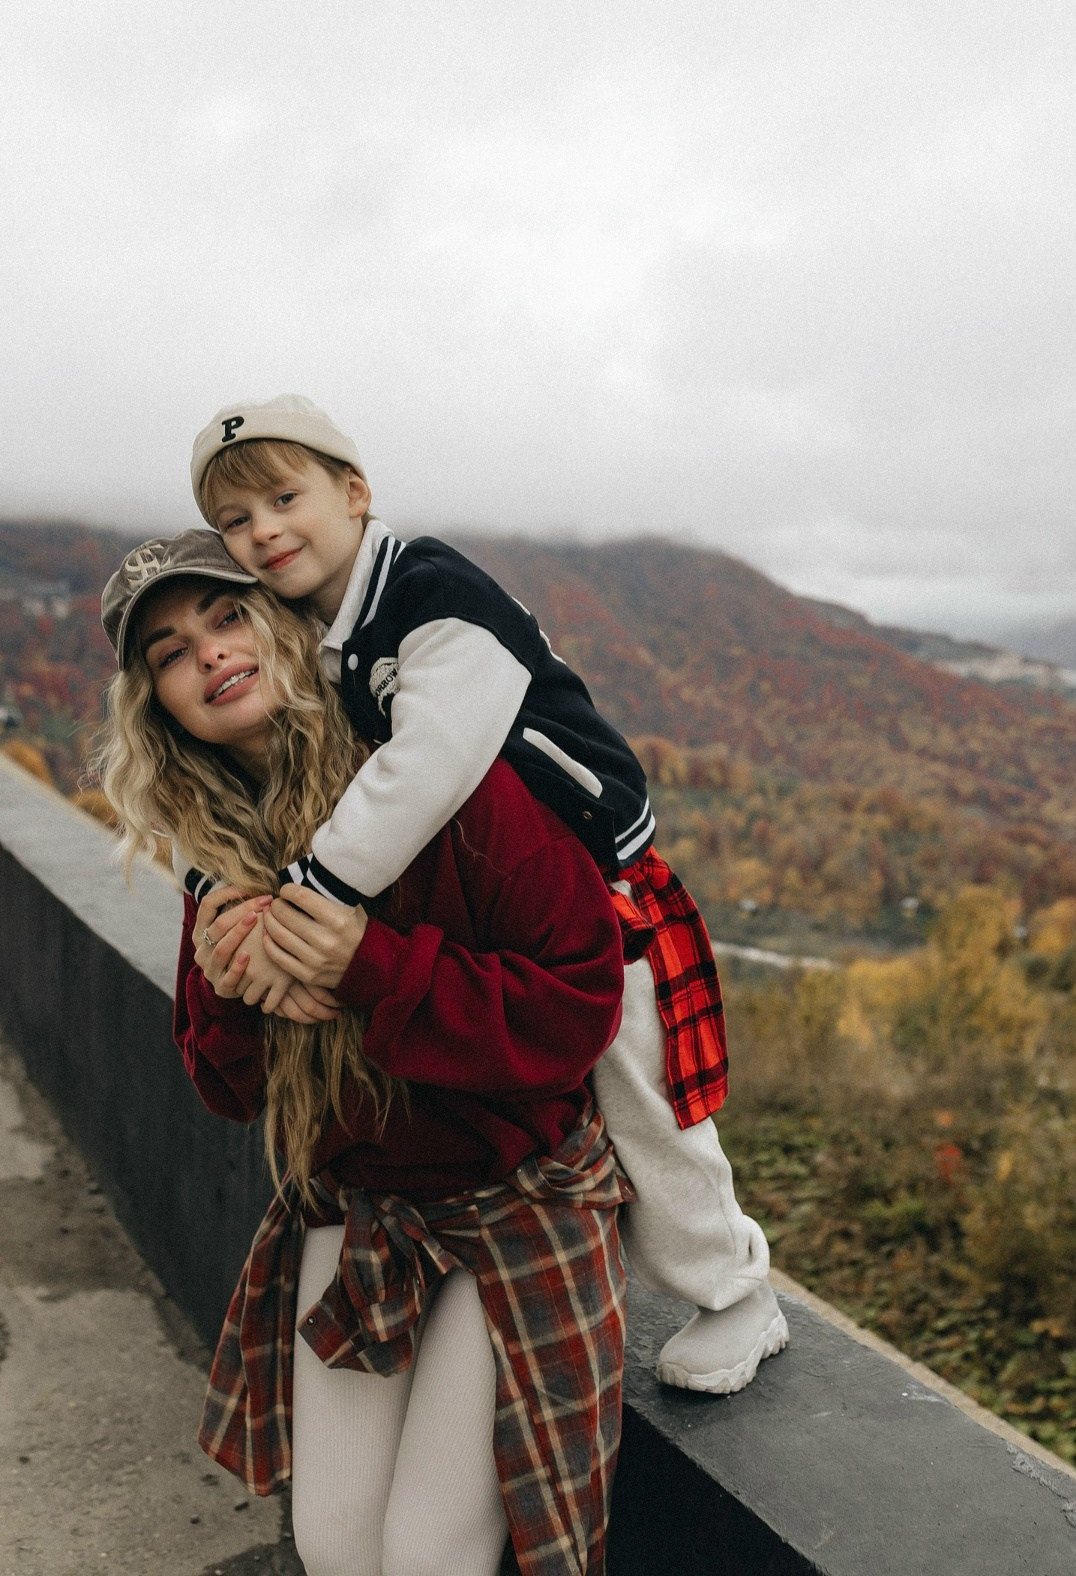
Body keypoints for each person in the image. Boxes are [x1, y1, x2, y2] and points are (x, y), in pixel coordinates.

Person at [185, 393, 788, 1397]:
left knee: (640, 1095)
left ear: (354, 492)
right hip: (475, 895)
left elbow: (430, 761)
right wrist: (221, 890)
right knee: (540, 1093)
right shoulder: (307, 626)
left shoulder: (431, 593)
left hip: (591, 877)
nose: (263, 533)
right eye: (236, 521)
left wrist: (299, 904)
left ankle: (735, 1293)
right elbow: (256, 767)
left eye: (284, 498)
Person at [96, 530, 631, 1576]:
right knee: (335, 1546)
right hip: (361, 1202)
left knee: (429, 1556)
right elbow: (226, 1089)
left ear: (287, 630)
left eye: (227, 615)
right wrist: (228, 989)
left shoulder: (433, 779)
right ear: (154, 700)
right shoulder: (220, 843)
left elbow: (578, 1003)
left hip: (512, 1196)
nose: (205, 654)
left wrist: (369, 966)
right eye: (167, 651)